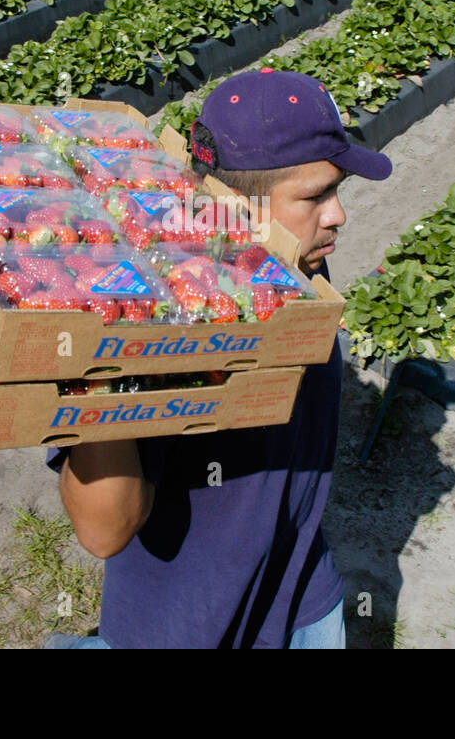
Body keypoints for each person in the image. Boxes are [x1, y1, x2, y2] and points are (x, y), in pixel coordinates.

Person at [44, 68, 392, 649]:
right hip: (184, 625)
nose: (338, 215)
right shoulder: (166, 323)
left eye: (337, 191)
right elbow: (104, 530)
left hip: (300, 590)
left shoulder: (298, 269)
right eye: (315, 196)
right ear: (238, 208)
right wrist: (102, 378)